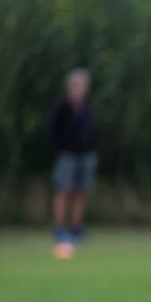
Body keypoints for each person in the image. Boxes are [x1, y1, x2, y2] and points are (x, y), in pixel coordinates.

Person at [48, 68, 98, 243]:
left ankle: (76, 227)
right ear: (69, 88)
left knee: (81, 191)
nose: (79, 89)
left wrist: (93, 149)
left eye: (82, 86)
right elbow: (53, 132)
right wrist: (58, 151)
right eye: (76, 86)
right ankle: (59, 228)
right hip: (67, 155)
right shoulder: (61, 107)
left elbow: (93, 131)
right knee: (63, 190)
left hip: (86, 155)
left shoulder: (87, 106)